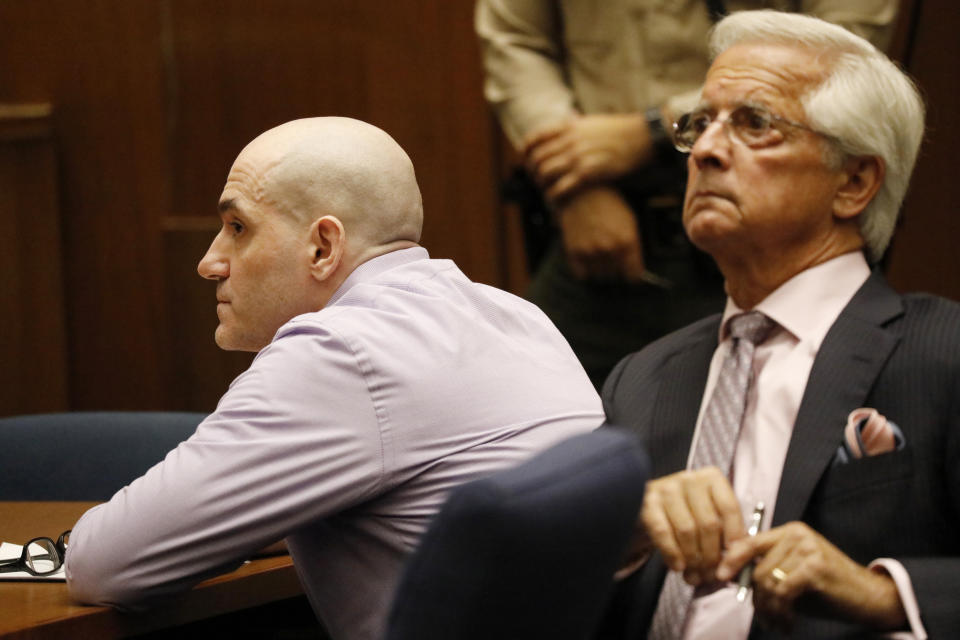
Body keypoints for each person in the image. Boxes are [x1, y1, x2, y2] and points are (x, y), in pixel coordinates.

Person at [64, 117, 604, 640]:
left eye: (237, 228)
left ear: (323, 247)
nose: (210, 262)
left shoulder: (339, 351)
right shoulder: (513, 314)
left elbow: (103, 565)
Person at [600, 10, 957, 639]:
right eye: (699, 124)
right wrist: (621, 535)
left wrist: (883, 593)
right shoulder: (644, 378)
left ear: (853, 182)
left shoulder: (942, 353)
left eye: (754, 124)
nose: (706, 151)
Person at [475, 0, 899, 388]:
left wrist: (658, 130)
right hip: (594, 229)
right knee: (521, 410)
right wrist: (574, 185)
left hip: (773, 238)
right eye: (702, 133)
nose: (707, 147)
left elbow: (846, 56)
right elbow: (515, 41)